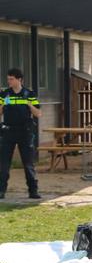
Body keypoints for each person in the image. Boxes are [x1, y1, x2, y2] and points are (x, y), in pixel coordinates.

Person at [0, 69, 41, 199]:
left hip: (25, 132)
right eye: (8, 79)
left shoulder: (29, 94)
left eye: (11, 79)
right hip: (8, 131)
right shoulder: (5, 94)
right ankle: (1, 191)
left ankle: (33, 191)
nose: (9, 81)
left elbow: (38, 113)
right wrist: (3, 104)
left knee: (28, 163)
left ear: (19, 80)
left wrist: (30, 105)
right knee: (4, 163)